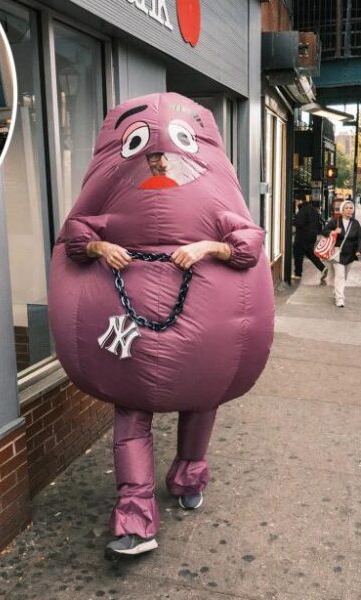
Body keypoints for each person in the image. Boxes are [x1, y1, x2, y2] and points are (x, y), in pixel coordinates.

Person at [48, 93, 273, 559]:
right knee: (131, 414)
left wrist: (209, 248)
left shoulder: (213, 197)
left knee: (201, 402)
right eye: (149, 154)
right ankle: (134, 514)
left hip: (205, 327)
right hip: (130, 329)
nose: (159, 164)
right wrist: (99, 249)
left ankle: (190, 471)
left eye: (167, 155)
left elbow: (248, 242)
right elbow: (76, 233)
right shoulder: (115, 195)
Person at [321, 199, 361, 307]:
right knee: (340, 276)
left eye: (351, 208)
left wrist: (358, 250)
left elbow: (359, 238)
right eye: (347, 208)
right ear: (342, 210)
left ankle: (337, 290)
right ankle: (340, 299)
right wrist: (333, 232)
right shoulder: (335, 221)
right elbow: (324, 231)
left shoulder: (355, 223)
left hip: (350, 254)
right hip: (337, 253)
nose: (349, 210)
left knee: (345, 275)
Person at [292, 199, 326, 281]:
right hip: (312, 236)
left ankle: (298, 274)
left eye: (297, 201)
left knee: (298, 253)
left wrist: (291, 221)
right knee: (310, 253)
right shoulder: (314, 210)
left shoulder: (303, 210)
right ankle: (323, 268)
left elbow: (299, 223)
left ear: (300, 202)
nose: (296, 203)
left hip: (302, 236)